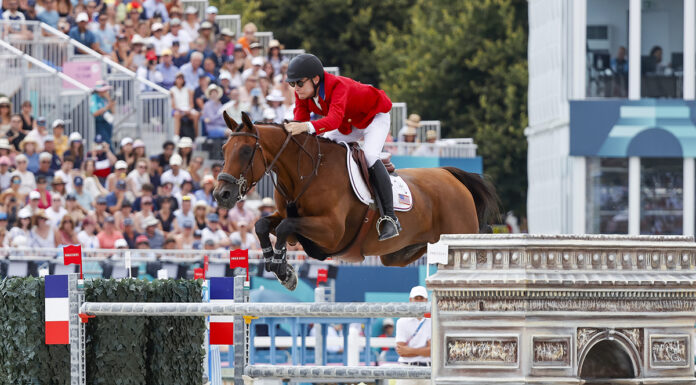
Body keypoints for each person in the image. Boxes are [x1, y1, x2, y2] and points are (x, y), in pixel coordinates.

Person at [283, 53, 399, 240]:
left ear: (315, 79)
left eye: (299, 83)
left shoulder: (338, 86)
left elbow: (332, 119)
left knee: (369, 155)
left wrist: (304, 127)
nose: (296, 88)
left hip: (374, 117)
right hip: (349, 122)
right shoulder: (304, 94)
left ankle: (390, 218)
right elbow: (301, 121)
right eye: (292, 84)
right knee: (325, 147)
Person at [394, 286, 431, 384]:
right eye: (416, 298)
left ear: (426, 300)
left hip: (426, 368)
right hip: (407, 369)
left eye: (421, 298)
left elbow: (432, 351)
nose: (419, 301)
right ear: (411, 300)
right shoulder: (402, 321)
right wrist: (423, 351)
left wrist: (409, 350)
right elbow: (401, 351)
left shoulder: (432, 321)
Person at [90, 80, 116, 151]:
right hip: (99, 123)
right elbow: (95, 113)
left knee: (108, 140)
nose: (106, 91)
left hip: (107, 123)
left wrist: (110, 100)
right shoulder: (94, 97)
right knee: (106, 142)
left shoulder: (105, 98)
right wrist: (107, 107)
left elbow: (113, 112)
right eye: (105, 90)